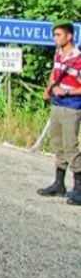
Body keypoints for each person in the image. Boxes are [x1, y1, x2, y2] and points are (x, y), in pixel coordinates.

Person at [38, 19, 81, 205]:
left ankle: (79, 187)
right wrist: (49, 89)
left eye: (58, 35)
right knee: (58, 143)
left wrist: (68, 91)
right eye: (54, 35)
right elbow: (54, 74)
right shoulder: (58, 54)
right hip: (57, 103)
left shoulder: (78, 58)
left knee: (71, 145)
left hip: (72, 105)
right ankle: (59, 183)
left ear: (69, 36)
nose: (55, 38)